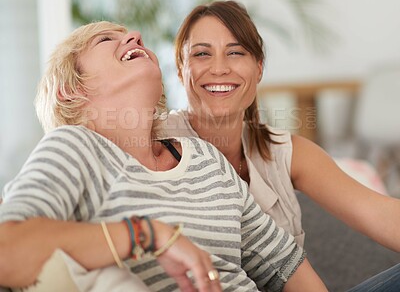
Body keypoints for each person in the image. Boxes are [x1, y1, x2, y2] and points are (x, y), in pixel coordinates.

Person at [0, 21, 327, 292]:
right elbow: (7, 251)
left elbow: (283, 264)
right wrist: (147, 234)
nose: (135, 36)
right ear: (69, 90)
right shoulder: (73, 147)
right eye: (105, 38)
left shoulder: (203, 156)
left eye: (130, 33)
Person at [162, 0, 400, 290]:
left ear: (258, 68)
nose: (219, 68)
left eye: (235, 52)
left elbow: (380, 214)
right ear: (180, 70)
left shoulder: (285, 151)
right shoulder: (156, 140)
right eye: (201, 54)